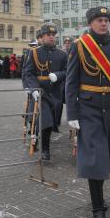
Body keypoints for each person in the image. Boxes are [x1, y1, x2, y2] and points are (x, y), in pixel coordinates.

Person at [65, 6, 110, 218]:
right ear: (90, 23)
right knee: (94, 158)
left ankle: (99, 198)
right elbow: (71, 82)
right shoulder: (80, 46)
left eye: (106, 20)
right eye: (99, 20)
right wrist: (72, 114)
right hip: (88, 109)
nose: (104, 23)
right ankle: (97, 210)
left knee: (106, 159)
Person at [23, 24, 68, 160]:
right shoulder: (34, 52)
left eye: (53, 35)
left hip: (55, 93)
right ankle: (45, 150)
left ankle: (40, 141)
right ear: (42, 37)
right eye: (49, 35)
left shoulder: (62, 54)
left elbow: (67, 71)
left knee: (53, 121)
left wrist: (58, 75)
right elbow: (28, 73)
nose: (52, 37)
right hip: (41, 92)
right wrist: (33, 89)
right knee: (46, 120)